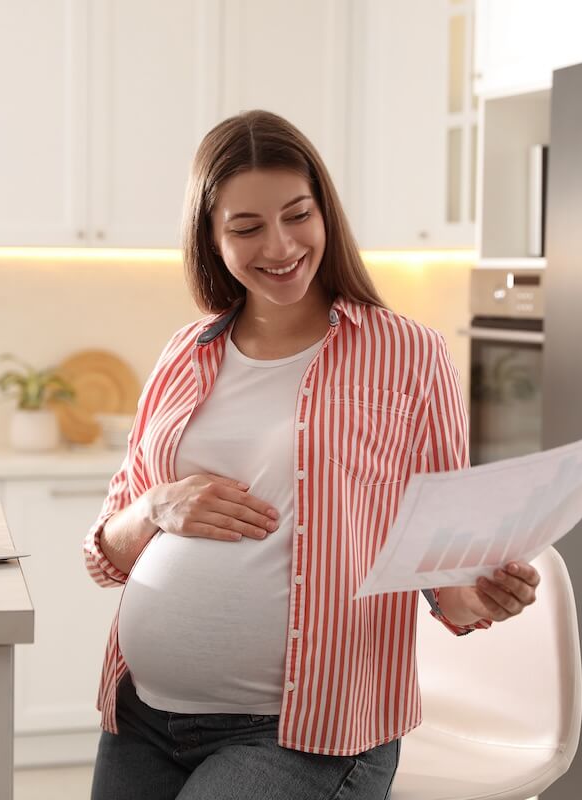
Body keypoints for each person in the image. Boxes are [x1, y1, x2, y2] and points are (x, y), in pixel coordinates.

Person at [83, 110, 541, 800]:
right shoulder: (185, 354)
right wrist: (156, 505)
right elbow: (108, 556)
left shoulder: (408, 355)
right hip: (141, 717)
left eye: (298, 215)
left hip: (306, 735)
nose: (280, 244)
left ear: (325, 213)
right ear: (211, 238)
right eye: (246, 227)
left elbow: (442, 552)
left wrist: (478, 597)